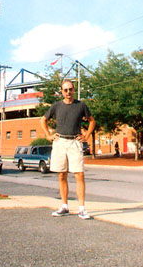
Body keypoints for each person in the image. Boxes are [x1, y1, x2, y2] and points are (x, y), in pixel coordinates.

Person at [40, 80, 96, 219]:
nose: (68, 92)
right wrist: (48, 135)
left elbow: (92, 121)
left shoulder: (81, 105)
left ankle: (82, 209)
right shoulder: (56, 106)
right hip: (59, 142)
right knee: (61, 175)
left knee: (79, 175)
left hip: (74, 142)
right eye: (65, 90)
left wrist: (87, 136)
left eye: (70, 89)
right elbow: (43, 120)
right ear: (61, 91)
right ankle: (64, 206)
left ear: (73, 90)